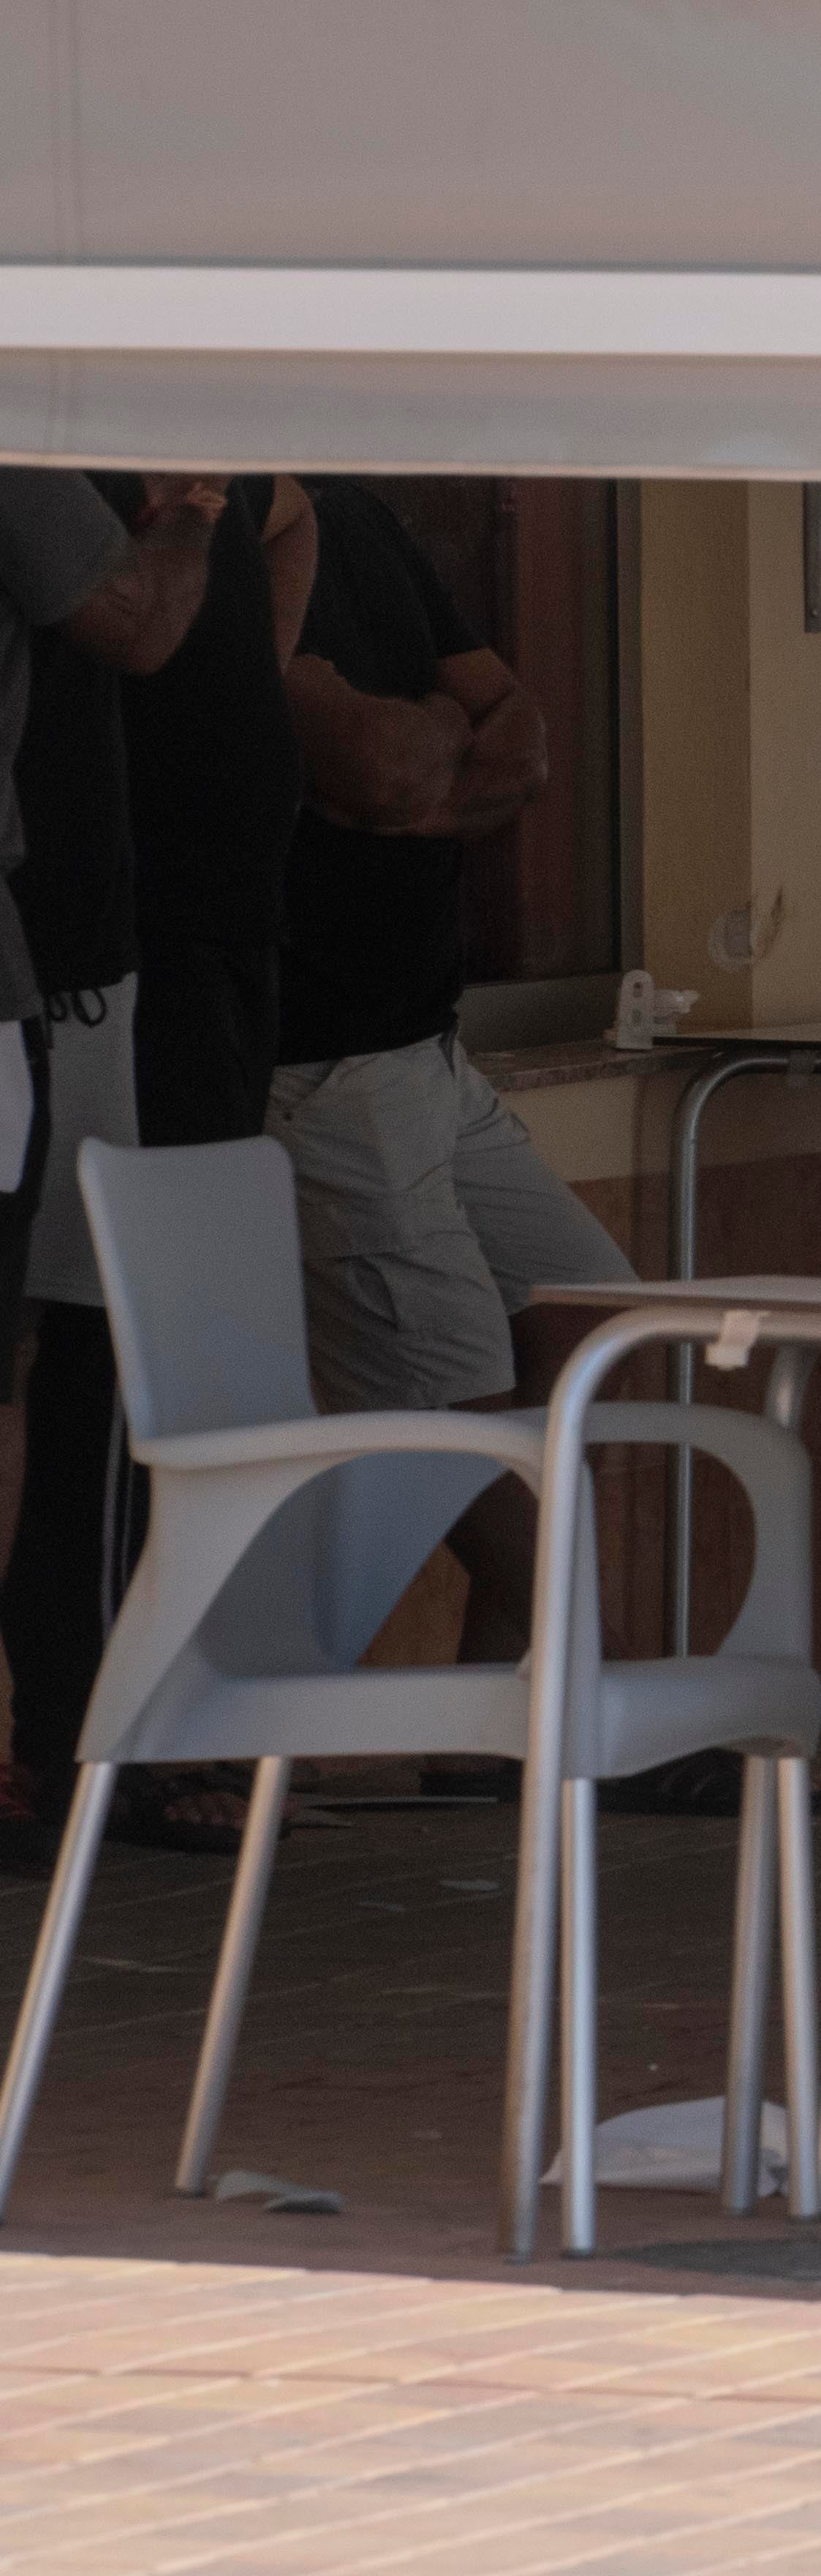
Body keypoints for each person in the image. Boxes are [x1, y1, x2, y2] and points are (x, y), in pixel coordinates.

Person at [0, 472, 242, 1859]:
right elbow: (140, 621)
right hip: (40, 970)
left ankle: (61, 1738)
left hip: (71, 968)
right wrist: (195, 506)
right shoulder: (29, 440)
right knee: (25, 1369)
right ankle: (57, 1741)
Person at [270, 483, 602, 1482]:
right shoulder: (238, 534)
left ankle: (523, 1637)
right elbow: (377, 763)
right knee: (459, 1421)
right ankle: (583, 1638)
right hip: (323, 1064)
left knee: (597, 1321)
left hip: (430, 1049)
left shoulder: (359, 517)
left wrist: (432, 747)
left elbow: (523, 736)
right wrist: (443, 729)